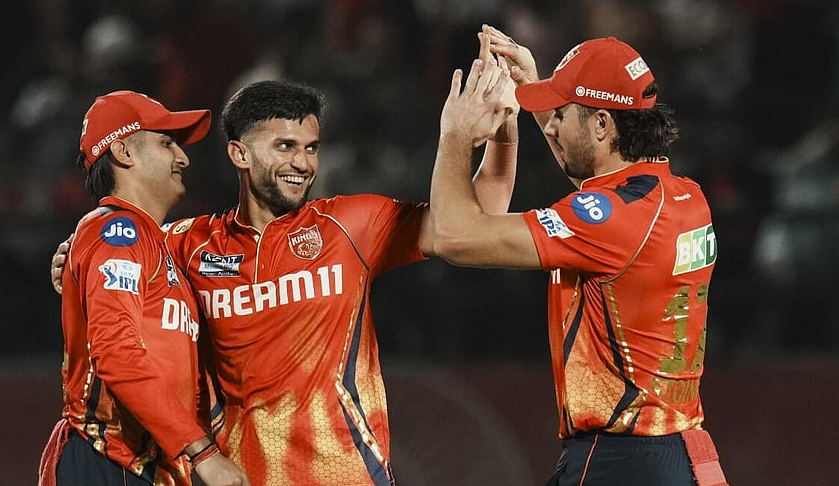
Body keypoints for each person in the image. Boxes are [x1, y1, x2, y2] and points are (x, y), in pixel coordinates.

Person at [51, 35, 519, 485]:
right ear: (239, 153)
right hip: (239, 477)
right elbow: (114, 267)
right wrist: (70, 264)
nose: (303, 163)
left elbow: (476, 221)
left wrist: (501, 138)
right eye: (285, 147)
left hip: (349, 477)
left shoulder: (350, 225)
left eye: (311, 148)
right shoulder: (185, 245)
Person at [430, 25, 728, 486]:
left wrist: (453, 134)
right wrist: (530, 94)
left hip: (621, 461)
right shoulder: (685, 197)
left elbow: (454, 235)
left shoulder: (609, 221)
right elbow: (601, 200)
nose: (550, 125)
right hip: (686, 453)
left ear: (603, 124)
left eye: (562, 114)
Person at [38, 91, 250, 486]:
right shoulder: (118, 230)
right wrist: (202, 452)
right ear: (124, 151)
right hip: (108, 457)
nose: (183, 158)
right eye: (167, 142)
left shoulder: (150, 244)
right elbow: (117, 352)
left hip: (144, 466)